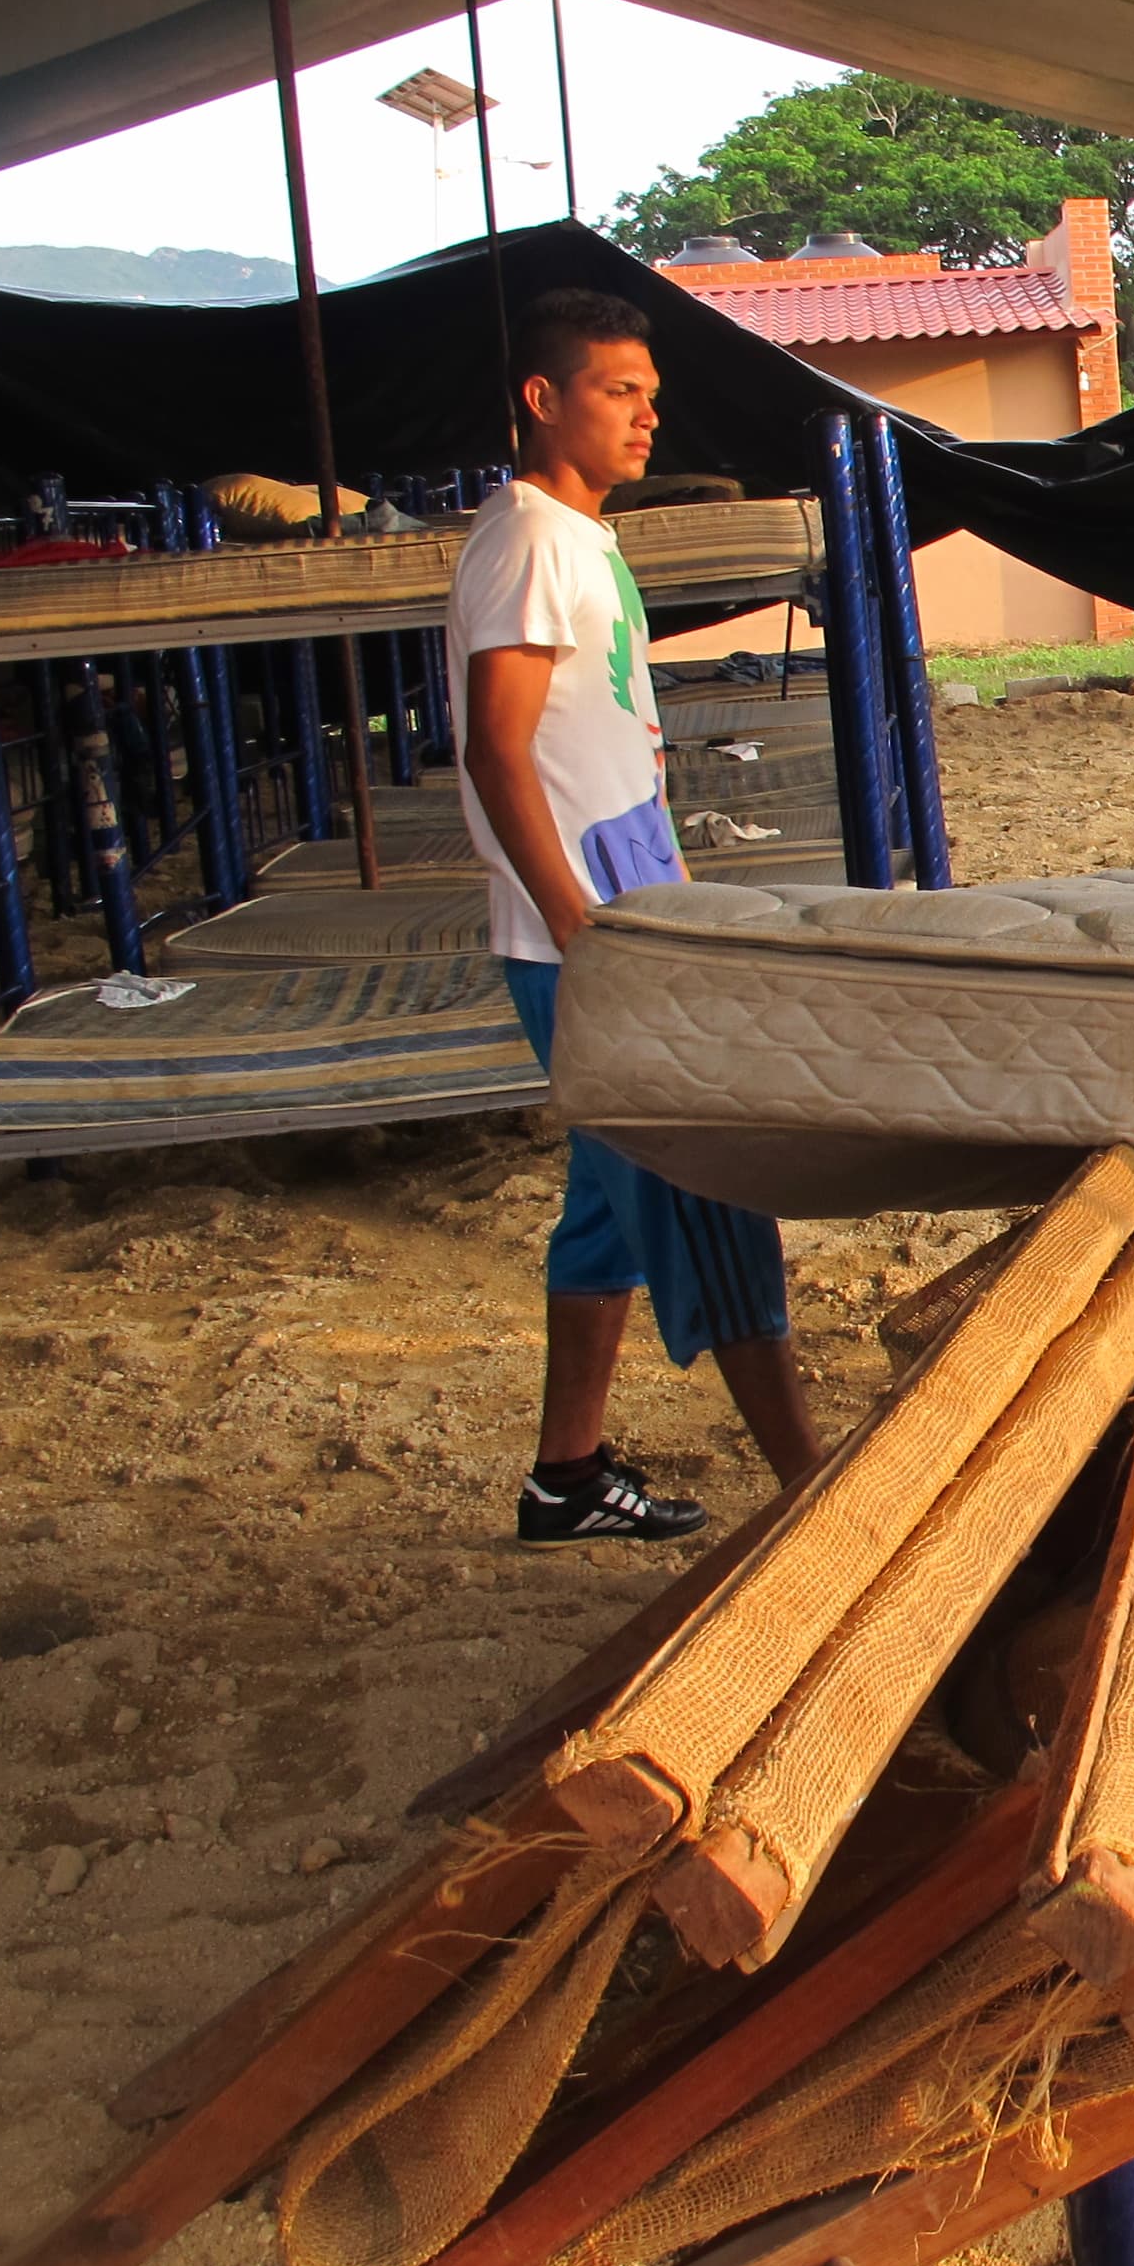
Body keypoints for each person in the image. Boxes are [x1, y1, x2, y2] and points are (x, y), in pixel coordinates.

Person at [452, 287, 826, 1548]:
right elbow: (495, 751)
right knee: (709, 1181)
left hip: (627, 906)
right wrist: (580, 926)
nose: (645, 416)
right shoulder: (530, 544)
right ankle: (818, 1493)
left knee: (607, 1213)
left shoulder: (583, 537)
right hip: (589, 935)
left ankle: (565, 1479)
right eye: (618, 391)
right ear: (542, 398)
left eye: (651, 396)